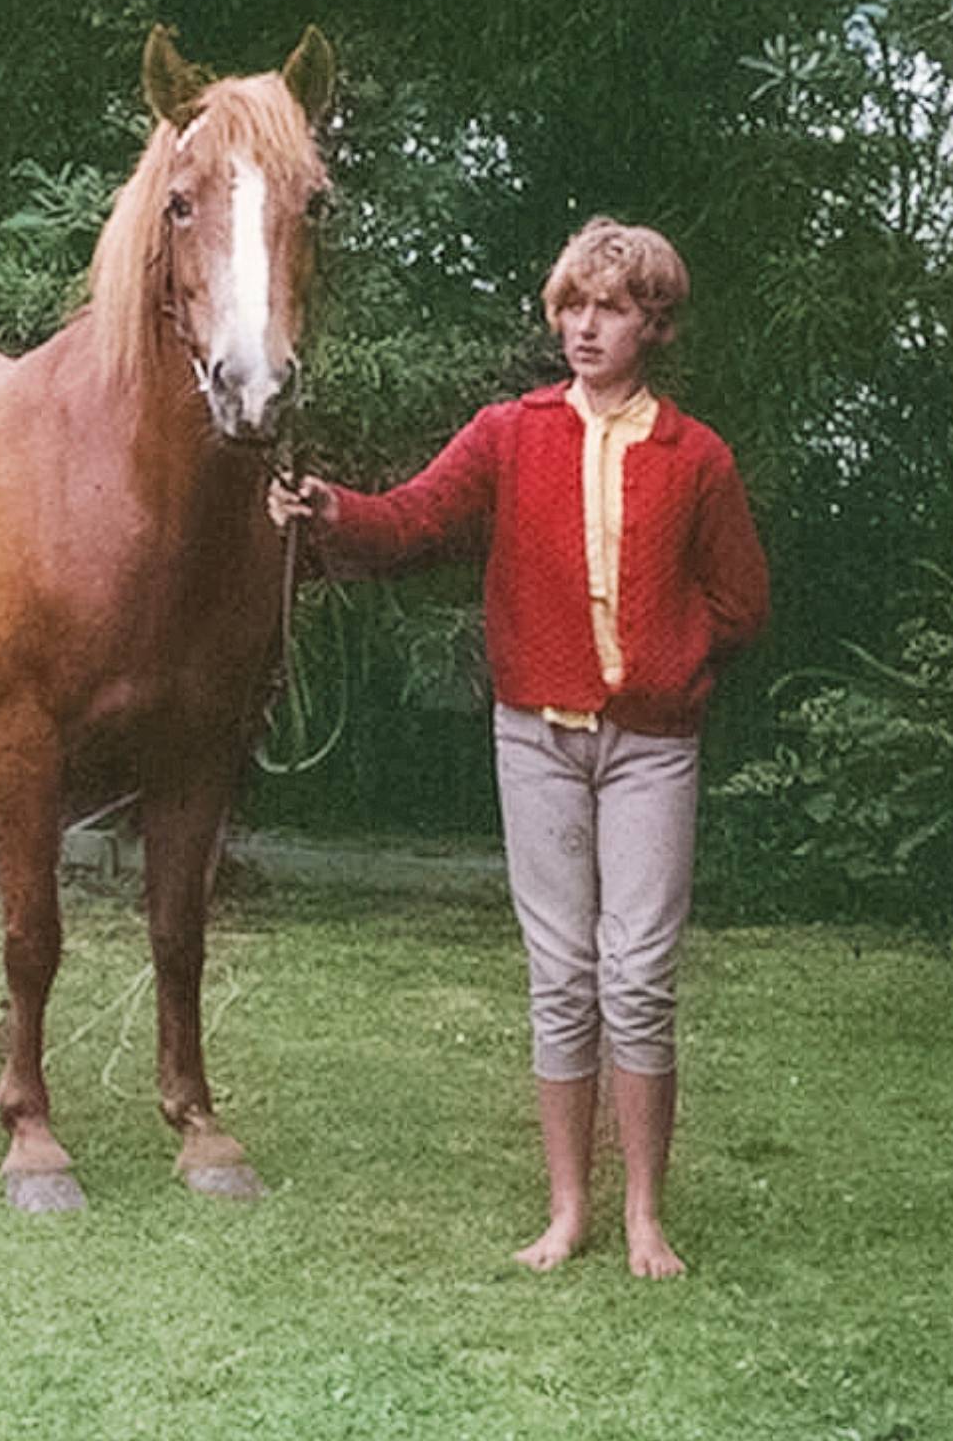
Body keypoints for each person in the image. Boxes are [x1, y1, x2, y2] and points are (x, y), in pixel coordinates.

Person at [268, 217, 768, 1277]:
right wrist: (327, 510)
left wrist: (671, 664)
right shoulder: (510, 431)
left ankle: (644, 1214)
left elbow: (742, 602)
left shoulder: (698, 458)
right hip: (534, 737)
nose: (585, 328)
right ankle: (568, 1211)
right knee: (561, 973)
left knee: (637, 975)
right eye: (572, 307)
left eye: (612, 309)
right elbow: (408, 521)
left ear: (655, 323)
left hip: (651, 747)